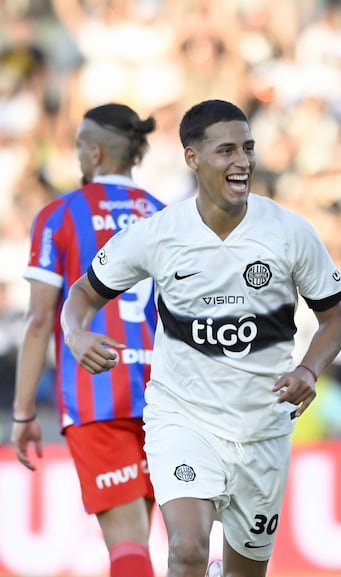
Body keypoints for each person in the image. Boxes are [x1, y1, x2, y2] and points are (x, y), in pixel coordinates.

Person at [60, 99, 341, 577]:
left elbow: (335, 320)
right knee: (188, 548)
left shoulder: (290, 233)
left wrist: (307, 368)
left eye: (248, 148)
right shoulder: (159, 234)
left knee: (244, 572)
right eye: (227, 150)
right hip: (183, 418)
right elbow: (82, 295)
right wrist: (75, 333)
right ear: (192, 158)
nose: (243, 162)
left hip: (263, 427)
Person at [11, 103, 164, 577]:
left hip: (98, 396)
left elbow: (39, 321)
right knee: (154, 536)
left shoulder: (59, 215)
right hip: (168, 396)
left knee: (127, 544)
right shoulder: (165, 215)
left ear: (94, 152)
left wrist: (23, 413)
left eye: (78, 144)